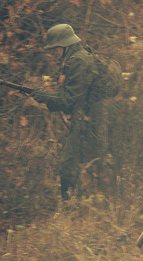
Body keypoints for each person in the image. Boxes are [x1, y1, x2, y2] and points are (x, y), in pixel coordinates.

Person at [32, 24, 121, 199]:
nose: (55, 53)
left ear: (64, 46)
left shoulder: (79, 61)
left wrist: (43, 97)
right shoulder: (81, 57)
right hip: (93, 118)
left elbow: (69, 100)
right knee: (90, 164)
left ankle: (69, 205)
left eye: (56, 49)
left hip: (89, 120)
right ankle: (87, 201)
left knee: (70, 166)